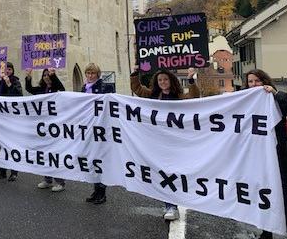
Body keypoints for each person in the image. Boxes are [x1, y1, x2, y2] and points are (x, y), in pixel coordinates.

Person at [130, 66, 200, 221]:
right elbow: (137, 89)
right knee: (165, 173)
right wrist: (135, 73)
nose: (163, 82)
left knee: (177, 173)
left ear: (171, 80)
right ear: (157, 82)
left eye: (165, 79)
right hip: (159, 142)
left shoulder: (180, 96)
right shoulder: (153, 95)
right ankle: (170, 206)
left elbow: (194, 97)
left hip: (178, 142)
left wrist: (190, 79)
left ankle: (178, 202)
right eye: (160, 80)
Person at [244, 69, 287, 239]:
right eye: (250, 81)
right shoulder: (246, 102)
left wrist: (277, 94)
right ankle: (266, 233)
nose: (253, 85)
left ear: (265, 81)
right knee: (263, 197)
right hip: (258, 159)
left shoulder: (275, 99)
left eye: (257, 81)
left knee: (283, 199)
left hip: (277, 158)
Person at [25, 68, 67, 192]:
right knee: (44, 154)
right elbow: (29, 89)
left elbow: (62, 90)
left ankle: (60, 182)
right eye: (44, 75)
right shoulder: (41, 90)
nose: (46, 76)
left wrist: (53, 77)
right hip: (42, 127)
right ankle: (47, 179)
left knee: (55, 154)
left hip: (55, 127)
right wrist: (28, 76)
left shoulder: (56, 90)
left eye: (48, 75)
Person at [80, 63, 113, 204]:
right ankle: (96, 190)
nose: (90, 76)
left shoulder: (105, 87)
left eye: (92, 73)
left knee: (100, 160)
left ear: (97, 74)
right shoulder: (84, 87)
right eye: (88, 73)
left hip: (100, 127)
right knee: (92, 159)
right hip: (89, 126)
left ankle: (102, 192)